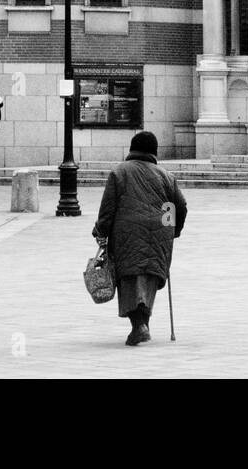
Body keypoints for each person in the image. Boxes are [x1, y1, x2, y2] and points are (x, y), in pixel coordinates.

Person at [92, 131, 188, 346]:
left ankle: (139, 326)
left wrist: (101, 230)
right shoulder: (166, 176)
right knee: (148, 277)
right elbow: (178, 206)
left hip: (126, 232)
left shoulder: (119, 173)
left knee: (129, 278)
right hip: (159, 233)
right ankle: (142, 325)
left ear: (132, 149)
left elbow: (108, 209)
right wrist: (173, 230)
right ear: (154, 151)